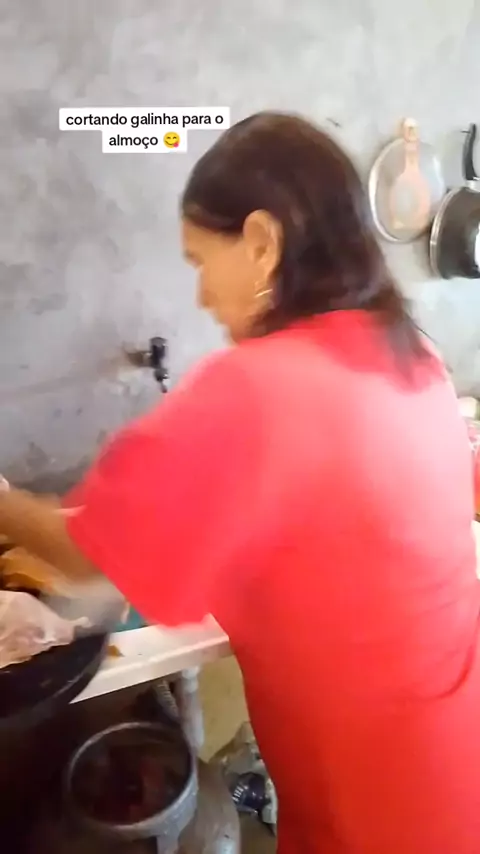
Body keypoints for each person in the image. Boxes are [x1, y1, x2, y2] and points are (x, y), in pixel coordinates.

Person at [1, 111, 479, 854]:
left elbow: (91, 557)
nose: (200, 295)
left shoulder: (257, 388)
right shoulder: (411, 354)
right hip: (456, 759)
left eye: (200, 260)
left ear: (261, 241)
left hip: (373, 804)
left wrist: (5, 504)